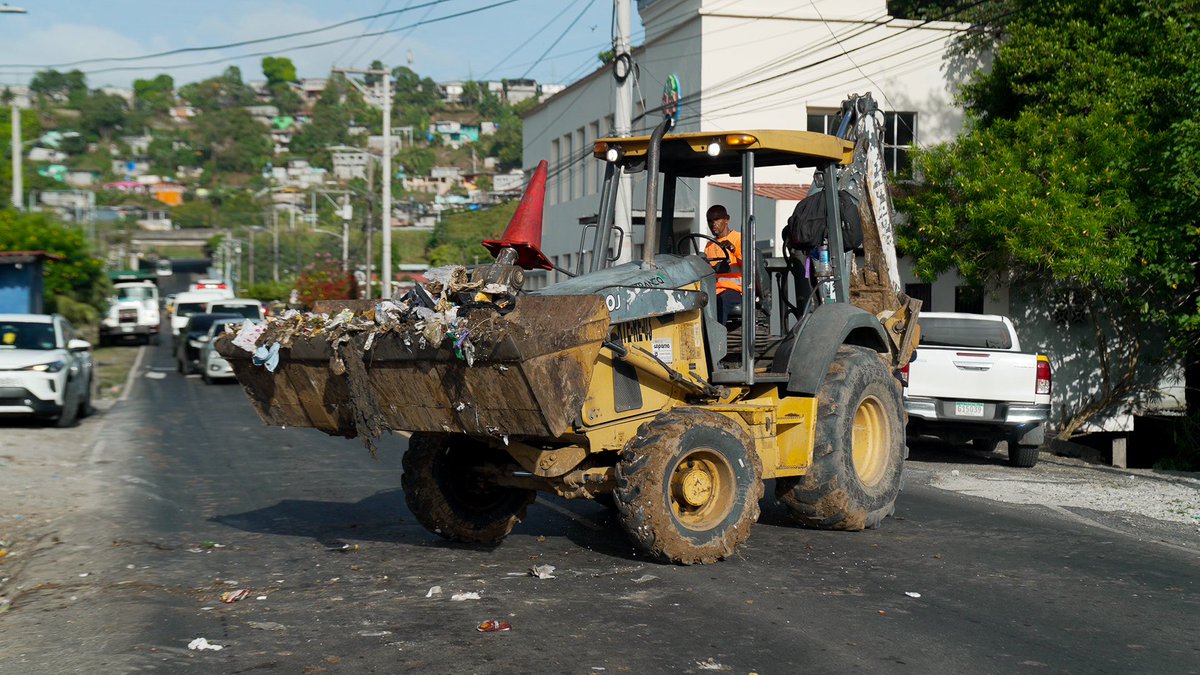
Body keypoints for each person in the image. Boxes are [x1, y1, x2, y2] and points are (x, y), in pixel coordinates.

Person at [703, 204, 743, 324]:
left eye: (716, 219)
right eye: (710, 221)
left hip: (735, 290)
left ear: (727, 220)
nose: (713, 224)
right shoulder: (709, 245)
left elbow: (749, 266)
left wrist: (733, 249)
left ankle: (718, 334)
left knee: (721, 301)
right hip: (714, 290)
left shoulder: (739, 239)